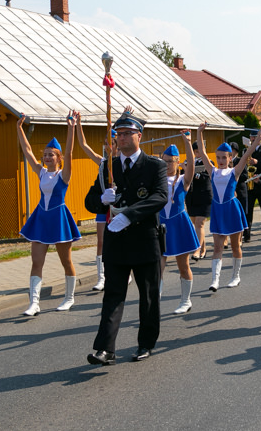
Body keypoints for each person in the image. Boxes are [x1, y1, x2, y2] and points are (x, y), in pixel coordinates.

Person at [86, 111, 168, 364]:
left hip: (145, 239)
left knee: (148, 296)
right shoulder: (106, 166)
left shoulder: (155, 165)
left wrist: (130, 215)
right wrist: (102, 200)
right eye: (118, 134)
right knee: (113, 295)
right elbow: (89, 202)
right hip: (116, 241)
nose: (121, 138)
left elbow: (160, 197)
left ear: (138, 136)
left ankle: (145, 343)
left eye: (126, 133)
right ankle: (105, 348)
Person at [16, 112, 81, 316]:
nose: (46, 157)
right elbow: (26, 151)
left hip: (59, 218)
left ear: (58, 158)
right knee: (36, 261)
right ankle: (34, 303)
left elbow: (70, 152)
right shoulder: (41, 171)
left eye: (50, 154)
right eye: (44, 154)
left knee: (66, 261)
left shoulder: (64, 175)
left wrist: (71, 128)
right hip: (41, 219)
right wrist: (19, 128)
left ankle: (69, 298)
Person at [197, 123, 261, 291]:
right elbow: (202, 152)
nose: (221, 160)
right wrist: (199, 132)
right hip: (218, 211)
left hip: (232, 209)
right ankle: (215, 280)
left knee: (236, 245)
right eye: (218, 157)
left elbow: (247, 153)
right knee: (218, 247)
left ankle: (236, 276)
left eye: (224, 157)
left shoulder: (234, 171)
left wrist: (258, 139)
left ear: (230, 158)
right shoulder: (212, 171)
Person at [73, 111, 115, 291]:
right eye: (106, 143)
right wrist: (79, 124)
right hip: (103, 206)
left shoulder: (123, 162)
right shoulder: (102, 162)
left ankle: (124, 272)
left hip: (118, 206)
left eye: (111, 143)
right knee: (101, 241)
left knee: (120, 240)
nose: (108, 146)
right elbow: (83, 145)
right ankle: (101, 277)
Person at [159, 133, 199, 314]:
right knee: (157, 268)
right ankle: (154, 303)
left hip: (179, 225)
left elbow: (191, 165)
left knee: (183, 266)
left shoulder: (183, 180)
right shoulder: (156, 181)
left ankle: (186, 300)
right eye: (164, 161)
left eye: (170, 161)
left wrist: (188, 143)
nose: (166, 164)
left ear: (177, 162)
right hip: (160, 226)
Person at [187, 141, 212, 261]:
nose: (198, 154)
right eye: (196, 152)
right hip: (192, 197)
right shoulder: (189, 163)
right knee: (195, 224)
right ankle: (203, 249)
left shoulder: (209, 162)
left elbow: (206, 176)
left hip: (204, 197)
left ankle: (197, 250)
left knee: (199, 223)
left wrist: (193, 172)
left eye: (199, 151)